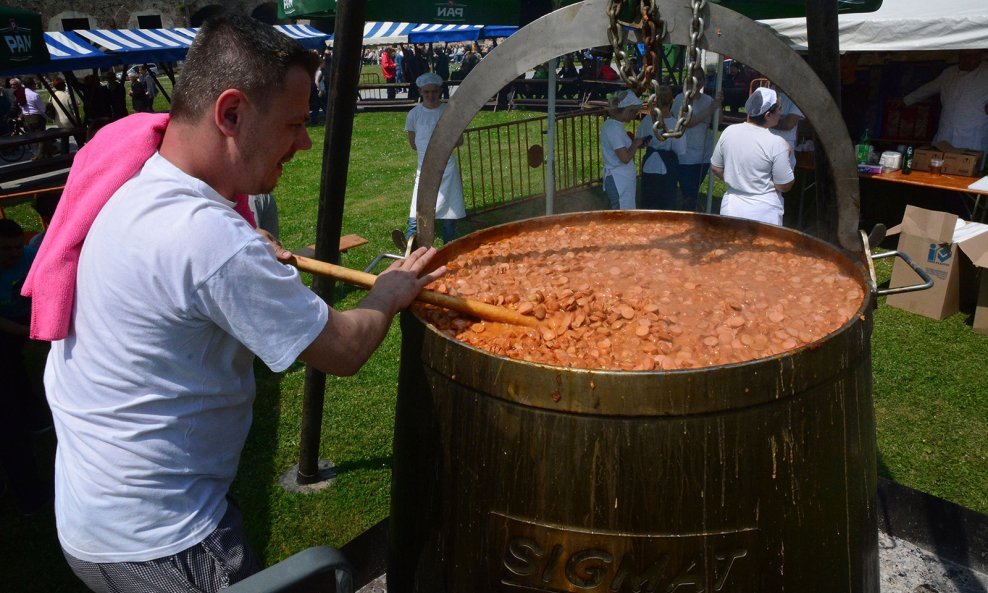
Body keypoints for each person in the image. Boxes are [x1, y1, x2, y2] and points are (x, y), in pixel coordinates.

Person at [29, 16, 444, 593]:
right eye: (295, 124)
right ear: (230, 114)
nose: (304, 142)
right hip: (166, 543)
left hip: (93, 515)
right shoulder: (209, 240)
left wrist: (244, 248)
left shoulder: (139, 188)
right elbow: (344, 350)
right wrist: (390, 292)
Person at [0, 219, 53, 516]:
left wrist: (42, 322)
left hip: (32, 314)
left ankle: (36, 415)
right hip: (12, 326)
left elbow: (49, 289)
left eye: (17, 246)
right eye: (5, 249)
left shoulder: (33, 259)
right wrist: (28, 333)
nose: (12, 254)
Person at [709, 87, 795, 226]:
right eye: (779, 108)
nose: (781, 113)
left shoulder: (729, 131)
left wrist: (738, 180)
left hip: (732, 207)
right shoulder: (778, 143)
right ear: (767, 115)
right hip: (764, 212)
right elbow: (784, 185)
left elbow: (716, 167)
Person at [405, 72, 465, 244]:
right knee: (415, 214)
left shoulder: (449, 112)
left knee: (449, 216)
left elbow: (459, 140)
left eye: (434, 92)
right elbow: (413, 143)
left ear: (440, 91)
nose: (430, 95)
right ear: (420, 92)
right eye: (426, 92)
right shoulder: (414, 115)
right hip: (423, 170)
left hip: (447, 170)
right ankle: (410, 251)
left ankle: (448, 250)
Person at [902, 49, 988, 160]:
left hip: (975, 131)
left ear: (980, 56)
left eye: (971, 56)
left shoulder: (986, 71)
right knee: (941, 161)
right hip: (947, 128)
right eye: (964, 56)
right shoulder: (949, 73)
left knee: (971, 164)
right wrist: (906, 100)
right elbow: (928, 89)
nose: (967, 60)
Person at [671, 75, 723, 211]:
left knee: (694, 189)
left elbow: (719, 120)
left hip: (704, 154)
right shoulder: (679, 99)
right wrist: (710, 109)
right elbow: (687, 122)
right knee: (689, 191)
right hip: (685, 154)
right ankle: (689, 213)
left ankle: (692, 210)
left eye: (701, 78)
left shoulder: (708, 100)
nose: (698, 82)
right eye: (695, 78)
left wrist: (719, 104)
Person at [637, 86, 687, 210]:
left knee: (648, 203)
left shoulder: (647, 120)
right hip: (668, 167)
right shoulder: (675, 124)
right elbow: (680, 150)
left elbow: (639, 140)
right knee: (666, 205)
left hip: (649, 165)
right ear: (672, 101)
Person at [600, 89, 649, 210]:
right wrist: (636, 143)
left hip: (622, 178)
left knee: (625, 213)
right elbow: (625, 158)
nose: (635, 116)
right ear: (627, 110)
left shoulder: (614, 125)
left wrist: (636, 144)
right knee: (621, 216)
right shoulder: (613, 128)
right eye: (635, 112)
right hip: (618, 180)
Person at [769, 89, 804, 169]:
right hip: (763, 141)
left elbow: (788, 124)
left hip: (784, 143)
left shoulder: (798, 96)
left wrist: (764, 121)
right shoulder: (767, 88)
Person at [48, 77, 75, 155]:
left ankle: (64, 153)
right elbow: (73, 108)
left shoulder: (51, 96)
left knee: (64, 138)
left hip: (58, 121)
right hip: (69, 121)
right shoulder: (66, 96)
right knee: (78, 136)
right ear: (63, 85)